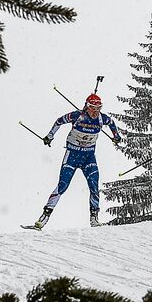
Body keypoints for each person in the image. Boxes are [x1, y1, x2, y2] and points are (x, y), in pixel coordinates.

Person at [31, 93, 121, 229]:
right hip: (72, 155)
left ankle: (94, 219)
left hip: (88, 157)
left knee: (94, 186)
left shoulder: (103, 119)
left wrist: (116, 137)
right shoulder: (77, 116)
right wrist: (50, 136)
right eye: (93, 108)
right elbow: (59, 121)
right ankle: (44, 217)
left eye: (99, 108)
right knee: (62, 186)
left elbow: (112, 124)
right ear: (87, 106)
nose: (96, 111)